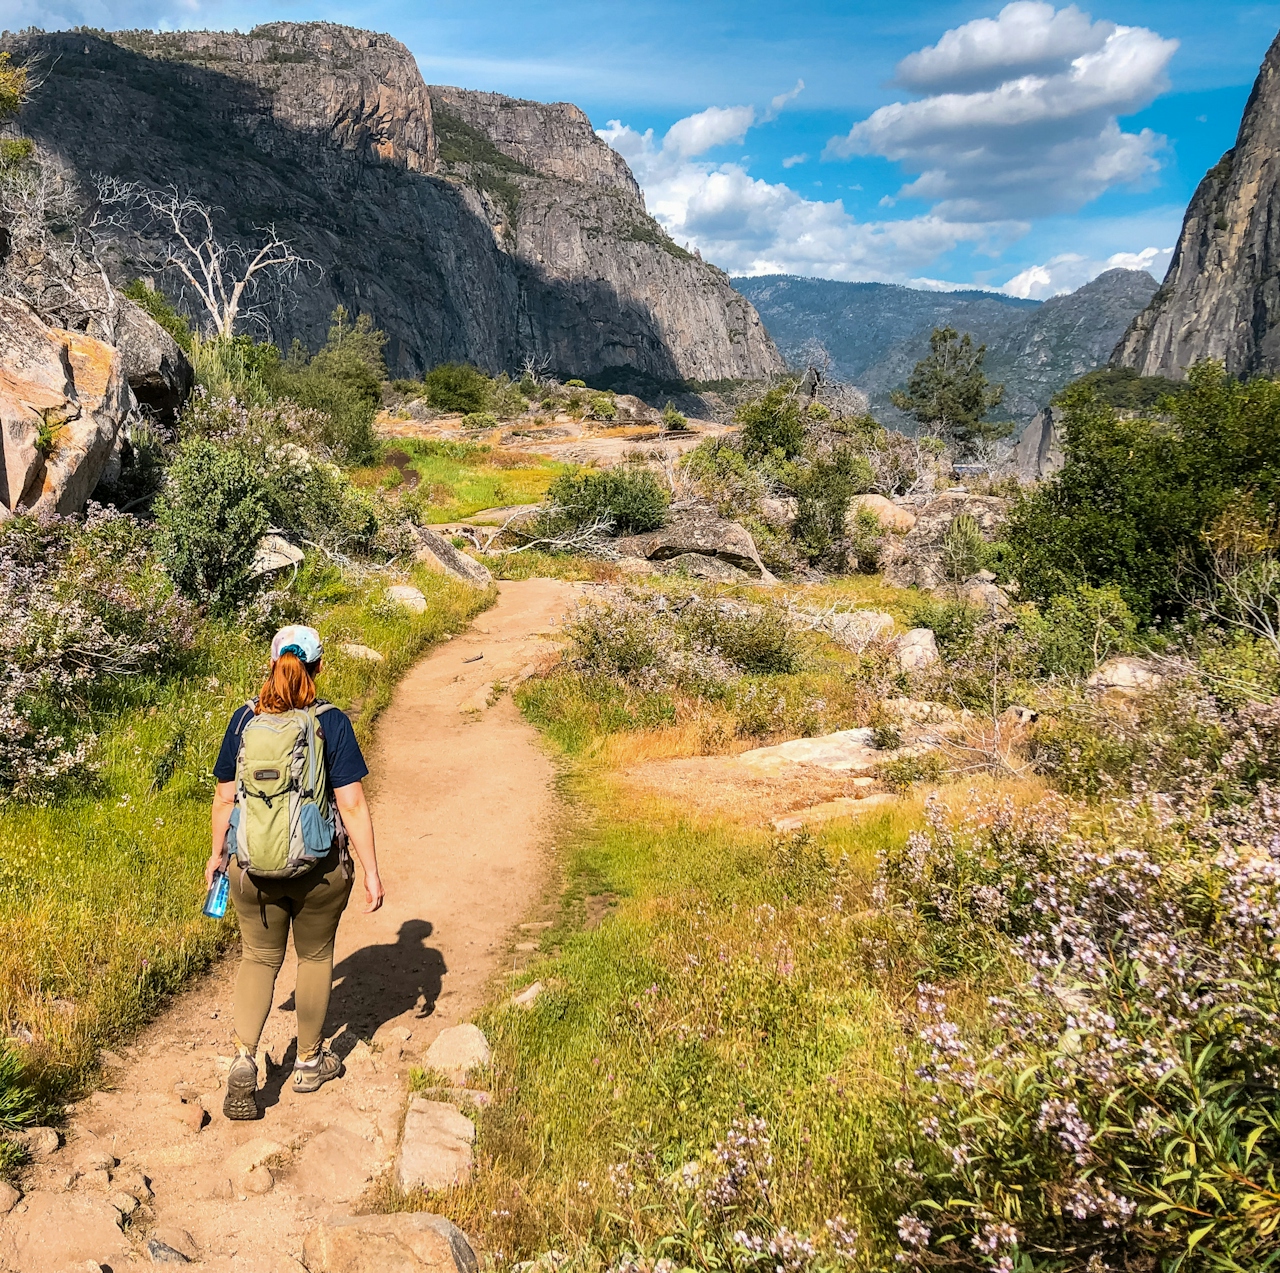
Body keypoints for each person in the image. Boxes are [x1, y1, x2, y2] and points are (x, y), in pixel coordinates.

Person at [206, 624, 384, 1120]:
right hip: (318, 868)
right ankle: (308, 1060)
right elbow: (351, 804)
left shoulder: (244, 721)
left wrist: (217, 856)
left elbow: (225, 799)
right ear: (319, 667)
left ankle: (244, 1058)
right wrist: (371, 872)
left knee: (259, 959)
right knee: (315, 956)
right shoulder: (331, 723)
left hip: (249, 869)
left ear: (271, 665)